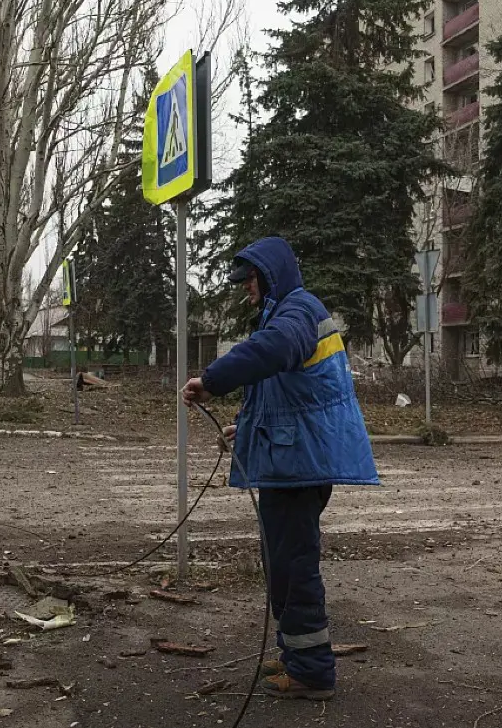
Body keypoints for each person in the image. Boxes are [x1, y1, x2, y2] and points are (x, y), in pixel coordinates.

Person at [182, 237, 378, 702]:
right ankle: (296, 654)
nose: (246, 290)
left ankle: (312, 672)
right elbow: (286, 393)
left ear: (270, 276)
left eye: (250, 280)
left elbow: (273, 351)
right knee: (283, 564)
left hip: (300, 466)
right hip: (290, 460)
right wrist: (242, 427)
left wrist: (211, 382)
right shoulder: (286, 313)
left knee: (294, 565)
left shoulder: (297, 313)